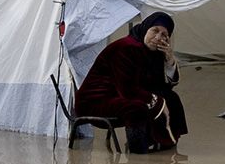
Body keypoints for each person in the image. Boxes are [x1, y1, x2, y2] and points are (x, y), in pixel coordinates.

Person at [75, 12, 187, 154]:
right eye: (155, 31)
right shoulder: (126, 47)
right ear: (146, 28)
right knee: (136, 107)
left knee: (170, 97)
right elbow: (128, 89)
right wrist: (158, 103)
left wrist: (169, 60)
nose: (158, 37)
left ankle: (162, 141)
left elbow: (160, 85)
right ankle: (138, 149)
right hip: (95, 101)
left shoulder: (154, 52)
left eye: (164, 34)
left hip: (117, 94)